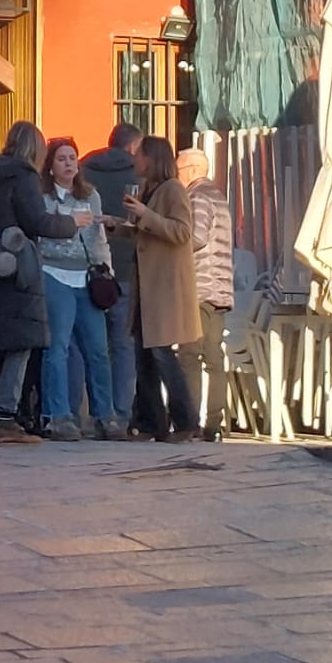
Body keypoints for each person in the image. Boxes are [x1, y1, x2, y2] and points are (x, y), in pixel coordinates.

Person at [0, 122, 86, 446]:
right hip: (19, 268)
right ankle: (7, 418)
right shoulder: (23, 177)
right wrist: (70, 223)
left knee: (0, 345)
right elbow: (37, 220)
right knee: (21, 342)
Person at [123, 135, 202, 442]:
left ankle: (185, 421)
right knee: (144, 355)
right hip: (147, 288)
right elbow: (147, 233)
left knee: (162, 354)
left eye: (138, 154)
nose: (134, 160)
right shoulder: (147, 188)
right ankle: (149, 422)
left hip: (165, 290)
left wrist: (146, 215)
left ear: (151, 158)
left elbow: (182, 232)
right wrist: (118, 225)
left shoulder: (173, 189)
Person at [38, 137, 116, 442]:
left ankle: (104, 415)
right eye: (62, 159)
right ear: (51, 166)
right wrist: (67, 223)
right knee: (57, 348)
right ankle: (58, 415)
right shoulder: (43, 198)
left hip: (86, 277)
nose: (69, 163)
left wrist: (106, 269)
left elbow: (98, 238)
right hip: (55, 274)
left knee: (98, 349)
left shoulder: (90, 195)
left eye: (72, 157)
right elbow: (41, 237)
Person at [82, 124, 144, 427]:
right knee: (122, 346)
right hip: (126, 269)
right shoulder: (139, 176)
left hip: (89, 270)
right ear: (134, 147)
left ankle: (91, 412)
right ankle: (120, 414)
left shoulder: (82, 170)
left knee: (90, 346)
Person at [179, 148, 234, 441]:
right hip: (220, 286)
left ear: (191, 169)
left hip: (200, 285)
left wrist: (171, 246)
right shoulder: (218, 196)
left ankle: (189, 421)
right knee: (213, 357)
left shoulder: (198, 197)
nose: (177, 175)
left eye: (178, 169)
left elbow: (196, 237)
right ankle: (214, 424)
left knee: (189, 354)